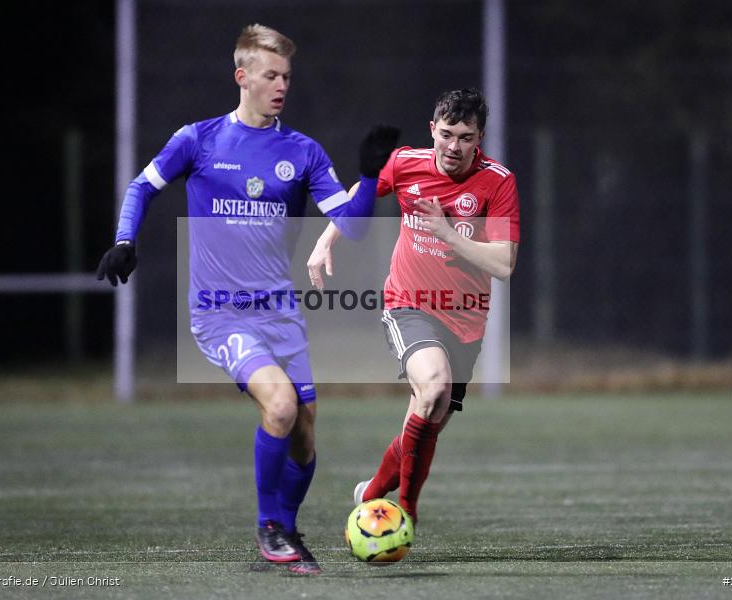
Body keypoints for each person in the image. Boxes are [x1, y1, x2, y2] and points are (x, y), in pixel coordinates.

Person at [96, 23, 399, 574]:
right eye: (270, 75)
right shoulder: (199, 138)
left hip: (280, 313)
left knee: (305, 436)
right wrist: (124, 240)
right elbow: (142, 186)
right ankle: (269, 528)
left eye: (286, 75)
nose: (281, 84)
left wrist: (371, 178)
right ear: (242, 77)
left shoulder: (302, 152)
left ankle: (285, 527)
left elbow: (350, 231)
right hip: (220, 314)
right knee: (279, 406)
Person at [307, 88, 519, 523]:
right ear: (432, 131)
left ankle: (372, 489)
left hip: (466, 319)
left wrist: (448, 234)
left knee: (429, 416)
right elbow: (363, 188)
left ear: (480, 137)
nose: (454, 147)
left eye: (465, 137)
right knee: (435, 386)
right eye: (446, 134)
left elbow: (503, 262)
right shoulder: (406, 162)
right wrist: (328, 236)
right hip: (409, 303)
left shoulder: (498, 181)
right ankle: (405, 511)